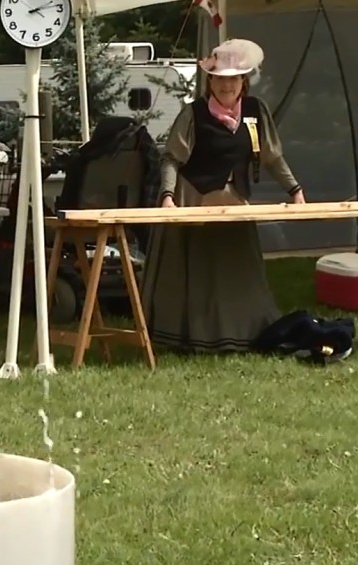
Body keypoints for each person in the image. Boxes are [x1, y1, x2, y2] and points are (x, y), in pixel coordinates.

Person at [140, 39, 306, 354]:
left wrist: (295, 190)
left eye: (234, 78)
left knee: (237, 269)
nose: (227, 84)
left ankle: (242, 334)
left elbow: (271, 156)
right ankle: (191, 338)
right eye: (220, 78)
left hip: (235, 200)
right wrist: (167, 198)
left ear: (243, 81)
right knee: (198, 272)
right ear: (210, 81)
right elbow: (172, 158)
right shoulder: (194, 114)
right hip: (194, 197)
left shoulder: (256, 112)